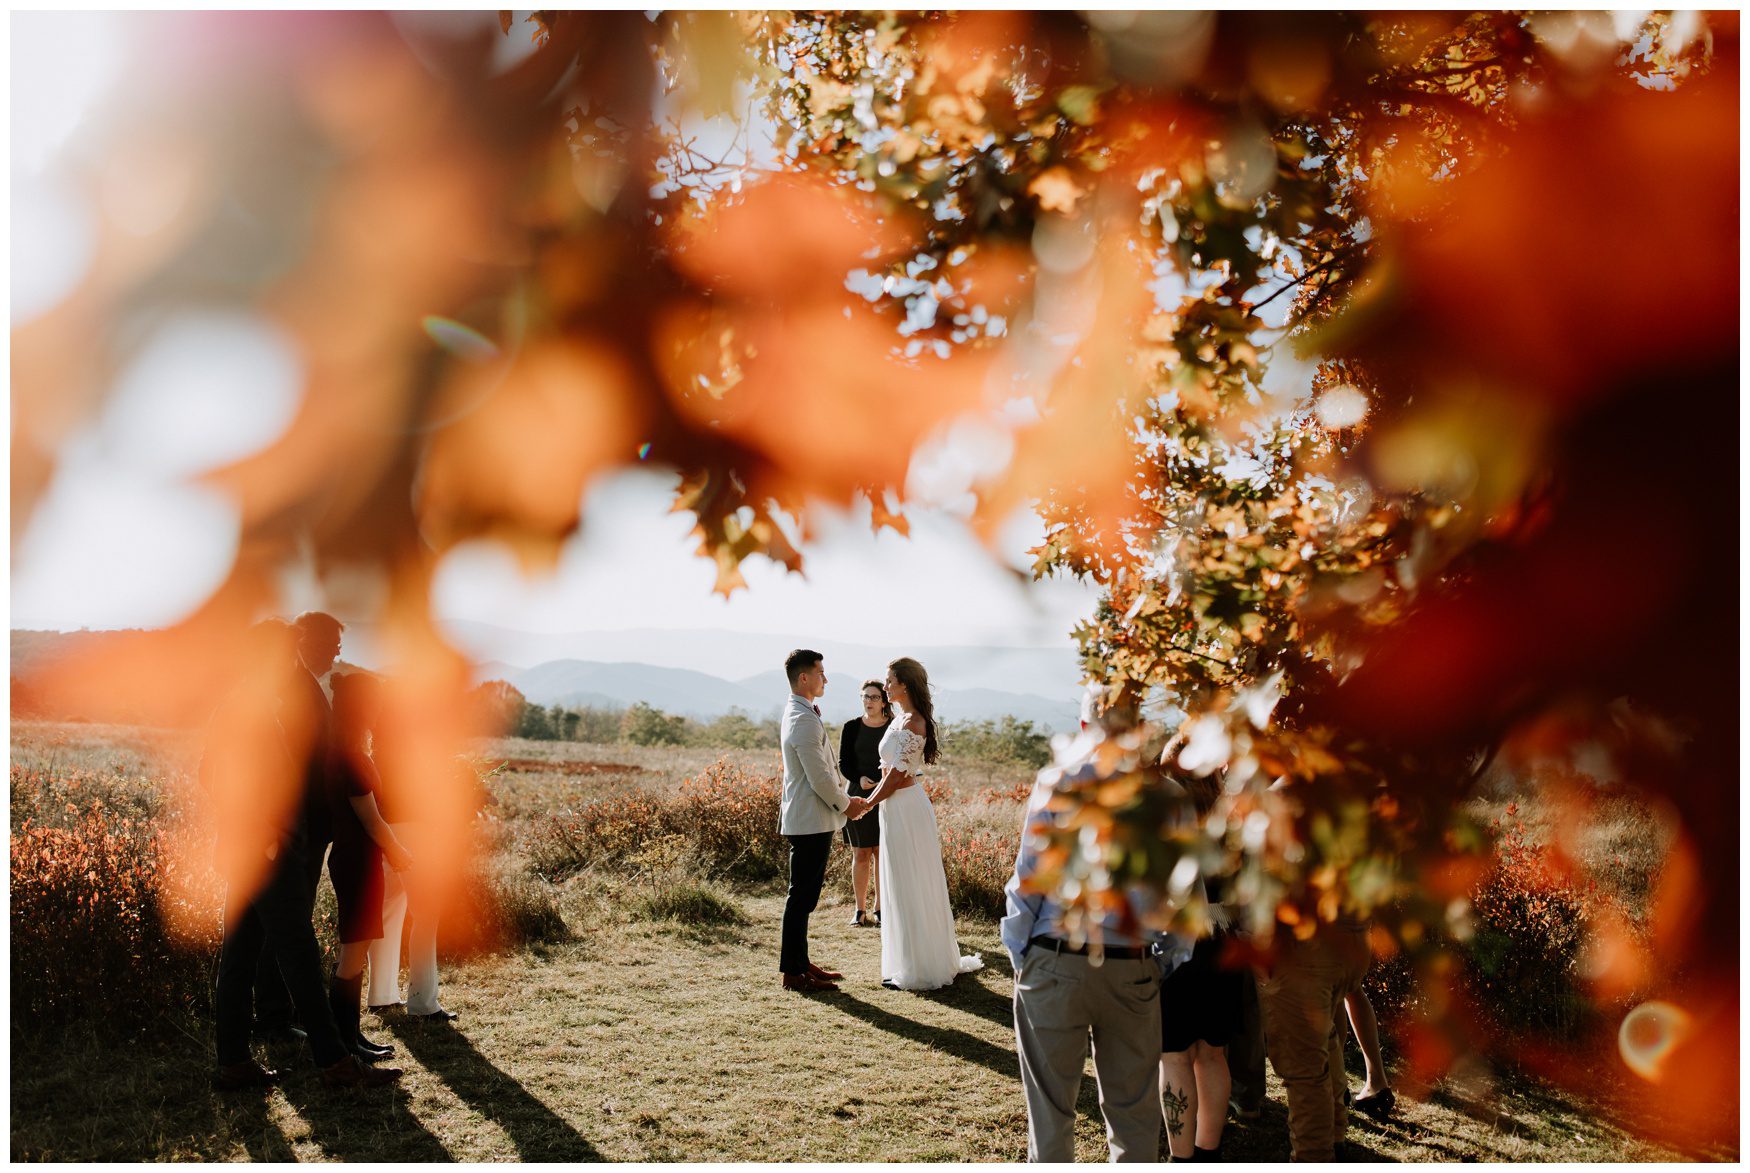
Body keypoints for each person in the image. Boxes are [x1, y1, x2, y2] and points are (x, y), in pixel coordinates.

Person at [209, 619, 401, 1090]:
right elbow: (213, 772)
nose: (293, 659)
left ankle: (233, 1065)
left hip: (253, 852)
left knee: (240, 956)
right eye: (286, 651)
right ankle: (335, 1062)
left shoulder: (255, 698)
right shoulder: (249, 704)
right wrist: (266, 834)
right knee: (297, 951)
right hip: (265, 853)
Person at [1001, 713, 1185, 1163]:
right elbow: (1184, 894)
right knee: (1134, 1115)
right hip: (1133, 965)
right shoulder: (1169, 795)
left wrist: (1023, 954)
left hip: (1056, 959)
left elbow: (1029, 878)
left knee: (1050, 1111)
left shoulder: (1058, 780)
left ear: (1085, 724)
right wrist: (1160, 960)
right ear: (1142, 725)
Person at [854, 656, 982, 991]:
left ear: (904, 684)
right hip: (893, 808)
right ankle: (904, 961)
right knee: (898, 881)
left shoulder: (914, 723)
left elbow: (896, 777)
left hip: (906, 807)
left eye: (889, 681)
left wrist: (866, 804)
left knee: (912, 880)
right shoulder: (898, 719)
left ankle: (921, 968)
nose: (884, 687)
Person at [327, 672, 416, 1059]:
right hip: (357, 861)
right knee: (352, 952)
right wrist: (398, 852)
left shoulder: (347, 750)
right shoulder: (350, 757)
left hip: (358, 859)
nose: (380, 708)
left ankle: (352, 1037)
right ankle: (344, 1043)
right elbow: (372, 819)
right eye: (375, 702)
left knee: (357, 949)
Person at [1156, 777, 1243, 1162]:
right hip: (1224, 940)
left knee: (1174, 1056)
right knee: (1213, 1053)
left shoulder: (1169, 818)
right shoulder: (1232, 823)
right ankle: (1210, 1152)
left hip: (1178, 940)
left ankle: (1181, 1157)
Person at [778, 649, 868, 992]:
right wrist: (846, 805)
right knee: (801, 897)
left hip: (812, 818)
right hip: (809, 820)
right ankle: (793, 973)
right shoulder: (800, 718)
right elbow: (819, 777)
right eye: (821, 672)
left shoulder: (800, 712)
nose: (825, 678)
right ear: (805, 677)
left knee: (804, 896)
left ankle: (800, 964)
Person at [367, 719, 461, 1023]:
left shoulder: (377, 754)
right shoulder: (416, 752)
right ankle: (423, 1002)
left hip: (386, 831)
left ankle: (381, 995)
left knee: (389, 908)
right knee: (426, 912)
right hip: (415, 831)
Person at [1258, 913, 1372, 1161]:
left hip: (1308, 949)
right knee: (1323, 1039)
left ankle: (1314, 1156)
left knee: (1304, 1072)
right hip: (1349, 936)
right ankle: (1335, 1138)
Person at [838, 680, 890, 927]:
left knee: (881, 854)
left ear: (884, 701)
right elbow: (843, 763)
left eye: (874, 697)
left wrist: (882, 783)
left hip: (887, 795)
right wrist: (859, 778)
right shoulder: (851, 727)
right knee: (861, 853)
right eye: (865, 697)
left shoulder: (893, 728)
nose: (869, 701)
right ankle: (859, 911)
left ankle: (880, 909)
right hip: (858, 795)